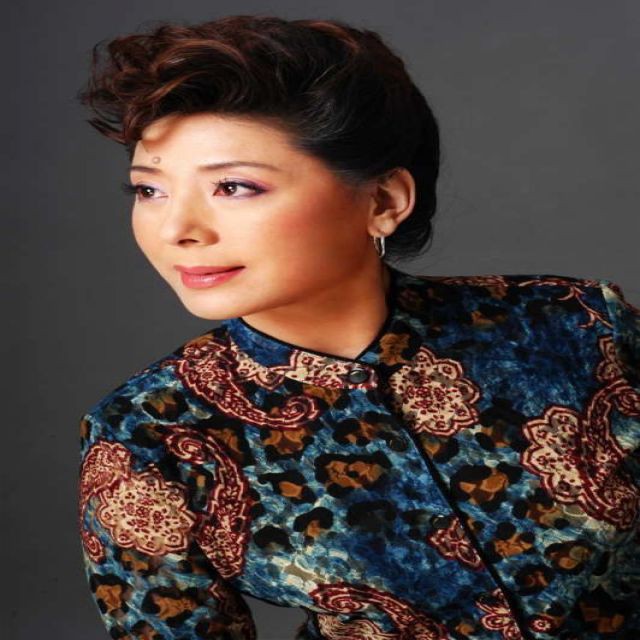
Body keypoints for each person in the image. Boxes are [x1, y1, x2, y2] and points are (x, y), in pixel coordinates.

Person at [75, 14, 640, 640]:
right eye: (148, 191)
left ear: (383, 201)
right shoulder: (149, 431)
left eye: (233, 186)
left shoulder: (576, 323)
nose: (177, 229)